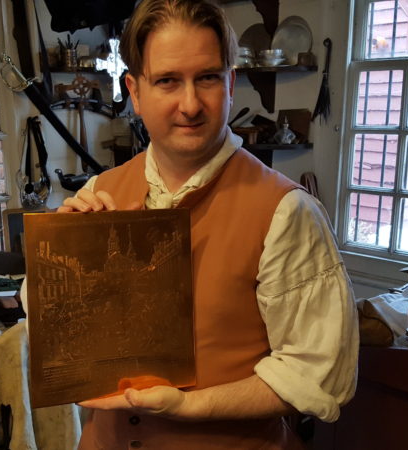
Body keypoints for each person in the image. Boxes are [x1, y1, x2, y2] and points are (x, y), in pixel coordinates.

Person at [58, 0, 359, 448]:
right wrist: (63, 257)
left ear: (231, 83)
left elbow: (315, 373)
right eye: (167, 81)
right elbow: (66, 340)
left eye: (207, 78)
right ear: (134, 92)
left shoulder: (286, 212)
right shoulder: (99, 192)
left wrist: (187, 406)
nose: (191, 104)